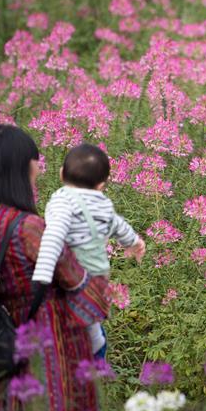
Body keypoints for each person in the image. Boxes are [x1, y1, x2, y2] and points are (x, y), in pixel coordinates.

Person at [0, 125, 110, 411]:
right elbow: (73, 276)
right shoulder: (27, 226)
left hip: (9, 332)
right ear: (19, 166)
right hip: (49, 333)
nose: (39, 167)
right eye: (35, 159)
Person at [32, 143, 146, 359]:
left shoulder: (62, 201)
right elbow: (118, 225)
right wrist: (134, 242)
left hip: (71, 276)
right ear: (101, 185)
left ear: (61, 174)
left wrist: (41, 276)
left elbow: (53, 237)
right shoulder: (104, 205)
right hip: (97, 279)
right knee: (88, 318)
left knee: (60, 315)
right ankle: (95, 347)